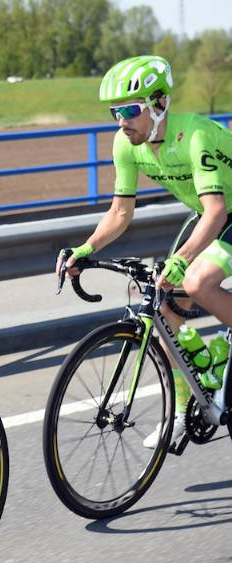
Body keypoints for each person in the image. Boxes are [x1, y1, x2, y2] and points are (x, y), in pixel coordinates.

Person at [58, 55, 232, 450]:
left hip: (220, 211)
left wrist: (182, 258)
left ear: (159, 103)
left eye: (130, 110)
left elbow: (218, 211)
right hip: (210, 213)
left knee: (197, 281)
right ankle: (185, 407)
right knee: (161, 305)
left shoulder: (197, 135)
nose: (121, 120)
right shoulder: (126, 143)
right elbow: (120, 212)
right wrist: (85, 249)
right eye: (115, 111)